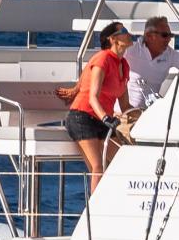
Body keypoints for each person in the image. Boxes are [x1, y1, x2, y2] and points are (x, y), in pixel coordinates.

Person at [56, 22, 135, 188]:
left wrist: (145, 117)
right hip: (82, 117)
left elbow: (125, 105)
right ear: (113, 39)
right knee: (97, 167)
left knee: (121, 161)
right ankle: (95, 204)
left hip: (103, 120)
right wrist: (106, 118)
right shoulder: (103, 58)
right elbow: (93, 97)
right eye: (124, 31)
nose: (129, 34)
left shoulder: (124, 65)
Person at [125, 13, 179, 110]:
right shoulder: (130, 48)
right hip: (125, 112)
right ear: (149, 36)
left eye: (170, 35)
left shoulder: (170, 54)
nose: (169, 39)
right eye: (164, 35)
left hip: (149, 112)